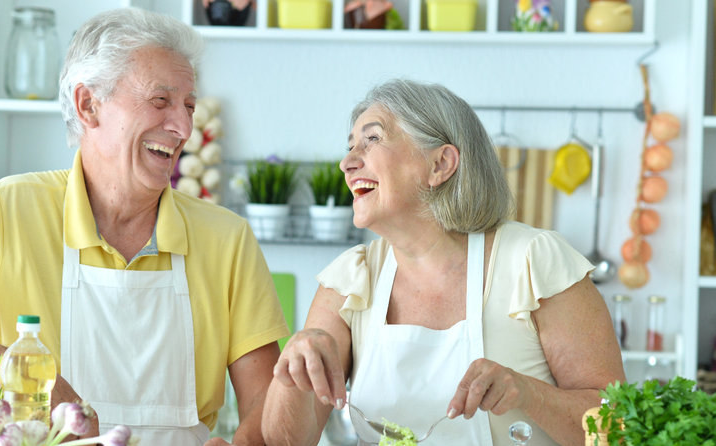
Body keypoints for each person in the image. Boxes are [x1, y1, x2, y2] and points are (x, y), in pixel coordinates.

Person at [0, 8, 289, 446]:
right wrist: (37, 380)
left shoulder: (227, 239)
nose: (183, 127)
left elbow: (266, 403)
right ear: (88, 105)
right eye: (161, 101)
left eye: (189, 106)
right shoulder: (10, 210)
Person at [261, 79, 625, 446]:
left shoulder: (534, 261)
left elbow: (619, 423)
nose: (348, 162)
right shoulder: (351, 279)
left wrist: (528, 394)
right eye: (350, 146)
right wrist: (294, 367)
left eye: (372, 139)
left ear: (441, 163)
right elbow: (284, 442)